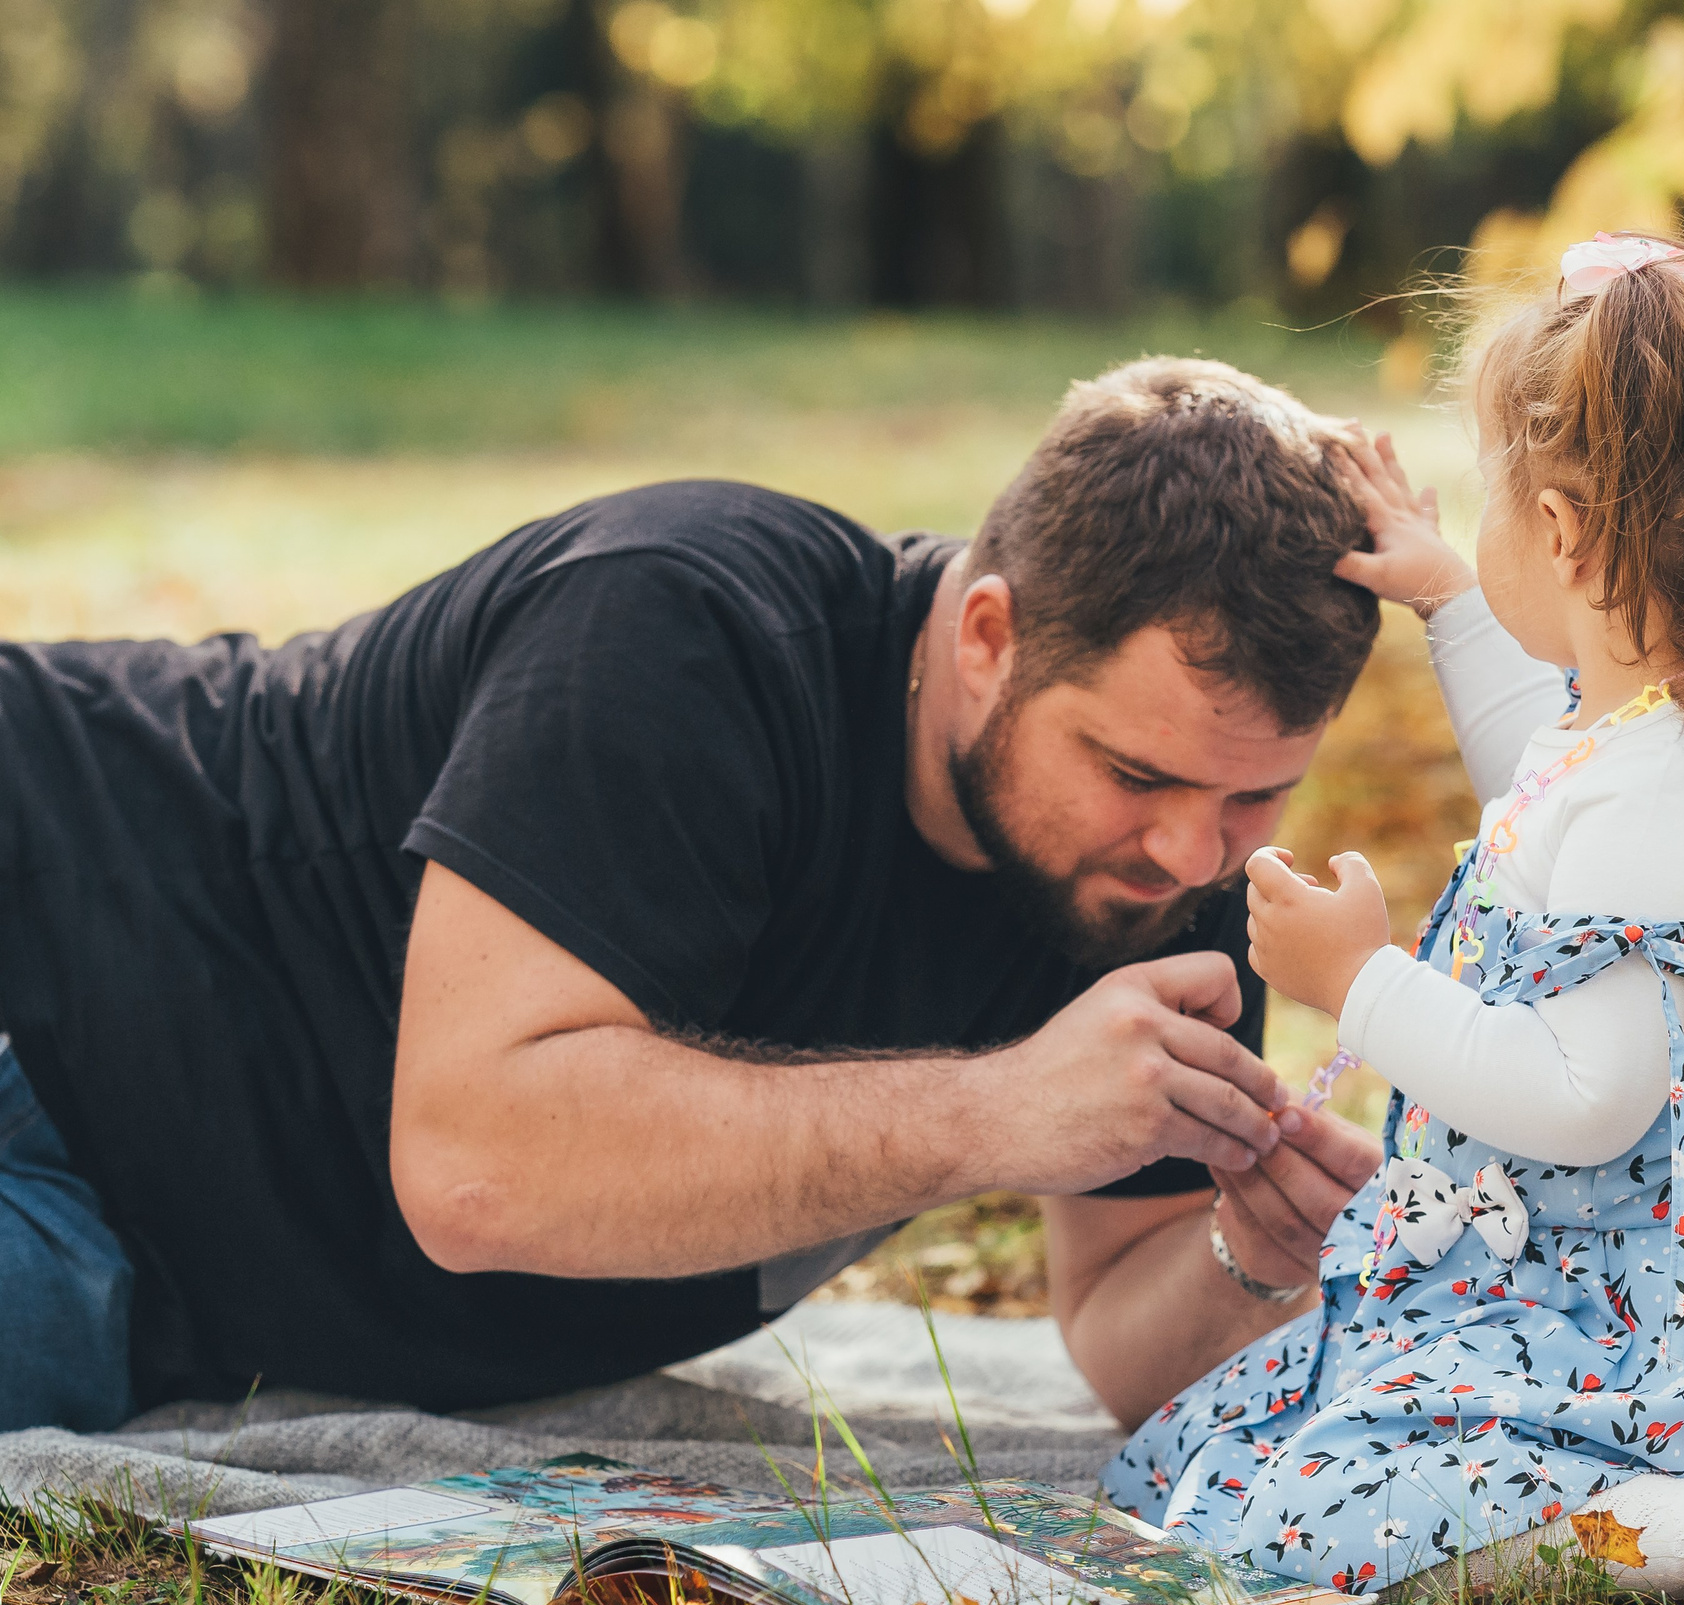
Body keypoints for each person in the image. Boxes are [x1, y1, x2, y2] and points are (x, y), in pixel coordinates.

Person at [0, 357, 1386, 1432]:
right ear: (986, 638)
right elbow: (476, 1162)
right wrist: (1000, 1109)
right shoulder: (687, 626)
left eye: (1259, 795)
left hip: (137, 1302)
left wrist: (1254, 1259)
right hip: (47, 967)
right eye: (1134, 770)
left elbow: (1117, 1319)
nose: (1193, 855)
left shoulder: (1168, 880)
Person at [1103, 199, 1684, 1605]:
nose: (1479, 529)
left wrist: (1359, 986)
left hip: (1644, 1342)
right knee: (1195, 1462)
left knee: (1318, 1513)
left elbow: (1583, 1097)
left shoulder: (1678, 796)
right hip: (1567, 1292)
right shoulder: (1650, 730)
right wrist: (1442, 589)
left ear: (1562, 535)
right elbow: (1533, 772)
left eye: (1490, 505)